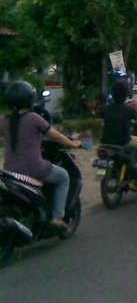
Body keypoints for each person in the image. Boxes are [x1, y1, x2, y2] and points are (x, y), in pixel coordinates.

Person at [0, 81, 81, 229]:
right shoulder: (33, 118)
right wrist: (72, 143)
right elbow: (55, 136)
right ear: (30, 99)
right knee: (63, 176)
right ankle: (57, 217)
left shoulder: (4, 120)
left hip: (9, 171)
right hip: (34, 168)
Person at [101, 80, 137, 189]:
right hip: (123, 141)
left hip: (106, 141)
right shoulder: (129, 109)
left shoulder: (107, 108)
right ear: (126, 94)